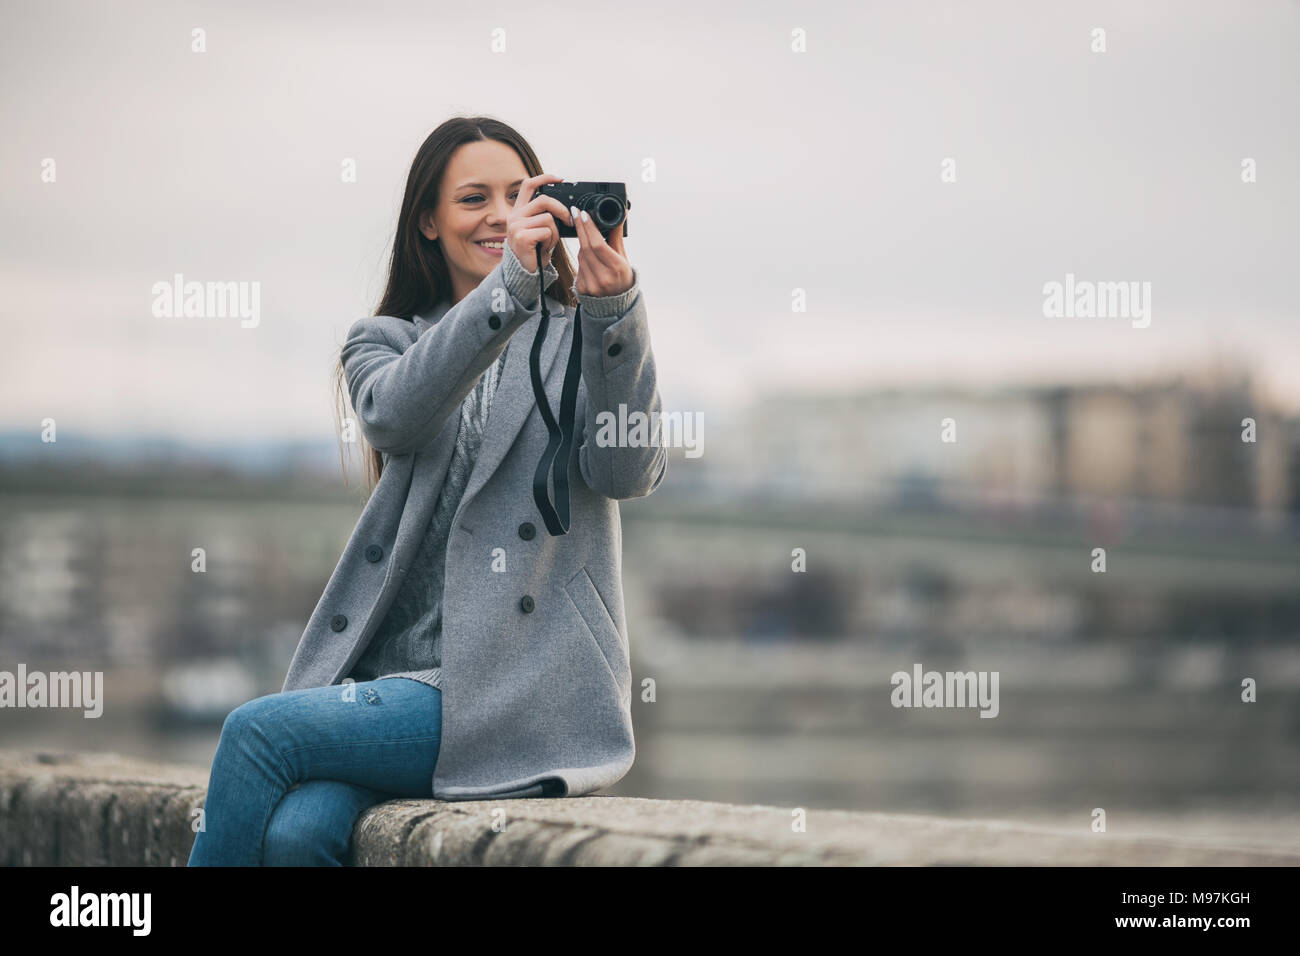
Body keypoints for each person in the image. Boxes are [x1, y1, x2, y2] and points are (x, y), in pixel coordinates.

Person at [188, 115, 666, 866]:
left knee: (257, 730)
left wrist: (617, 315)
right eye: (475, 198)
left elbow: (625, 472)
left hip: (511, 688)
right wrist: (511, 284)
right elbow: (396, 415)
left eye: (521, 193)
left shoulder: (582, 337)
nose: (502, 216)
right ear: (428, 222)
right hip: (387, 682)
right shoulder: (383, 341)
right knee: (296, 836)